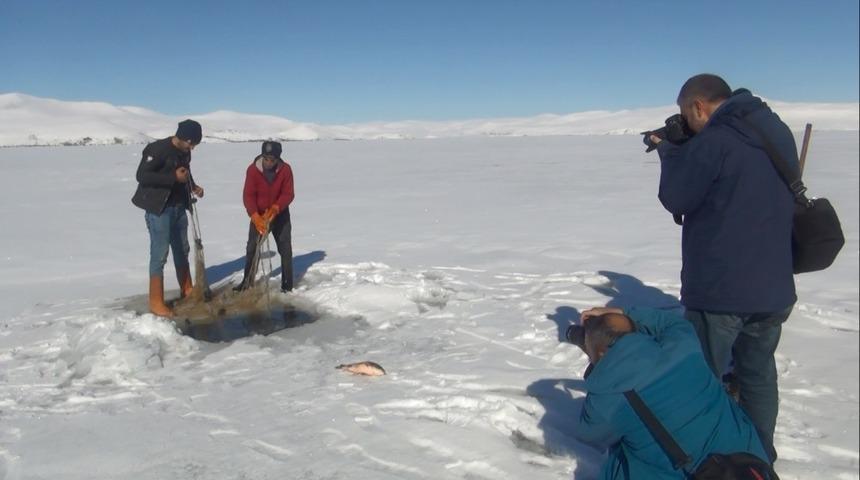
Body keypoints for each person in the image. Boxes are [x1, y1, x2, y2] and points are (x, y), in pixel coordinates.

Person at [650, 74, 797, 461]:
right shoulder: (772, 129)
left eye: (686, 113)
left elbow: (677, 197)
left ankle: (705, 457)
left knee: (700, 377)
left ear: (698, 106)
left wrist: (670, 151)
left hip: (721, 288)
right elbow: (738, 182)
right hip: (774, 284)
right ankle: (759, 455)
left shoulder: (716, 140)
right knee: (758, 373)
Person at [572, 306, 769, 479]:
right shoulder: (683, 345)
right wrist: (624, 312)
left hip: (691, 472)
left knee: (620, 453)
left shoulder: (607, 399)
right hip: (749, 462)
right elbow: (670, 322)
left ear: (599, 354)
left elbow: (589, 433)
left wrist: (599, 372)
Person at [131, 119, 205, 317]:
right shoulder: (157, 149)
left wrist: (193, 186)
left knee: (182, 248)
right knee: (160, 253)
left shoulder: (185, 151)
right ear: (182, 137)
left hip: (179, 206)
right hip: (159, 209)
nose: (192, 148)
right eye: (191, 143)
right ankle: (156, 301)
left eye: (194, 144)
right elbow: (142, 175)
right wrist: (172, 178)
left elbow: (185, 173)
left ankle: (187, 288)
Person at [236, 140, 295, 292]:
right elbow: (248, 195)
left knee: (285, 249)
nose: (268, 163)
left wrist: (276, 208)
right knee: (252, 248)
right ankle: (247, 282)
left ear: (278, 158)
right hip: (260, 215)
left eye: (272, 160)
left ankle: (287, 286)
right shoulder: (253, 170)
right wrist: (255, 216)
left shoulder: (285, 170)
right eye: (266, 159)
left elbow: (288, 193)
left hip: (280, 214)